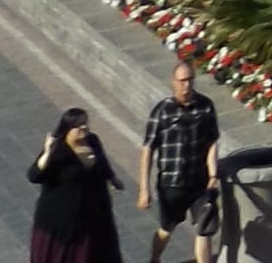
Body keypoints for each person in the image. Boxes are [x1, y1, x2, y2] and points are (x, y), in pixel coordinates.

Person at [137, 62, 221, 263]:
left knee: (204, 227)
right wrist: (144, 189)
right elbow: (148, 149)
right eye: (182, 81)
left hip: (199, 182)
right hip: (172, 184)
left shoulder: (205, 106)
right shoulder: (162, 111)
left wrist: (213, 174)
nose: (187, 85)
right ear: (173, 82)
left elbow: (212, 141)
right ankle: (155, 259)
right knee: (167, 228)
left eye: (190, 80)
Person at [29, 108, 123, 263]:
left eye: (85, 123)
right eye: (78, 125)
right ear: (67, 129)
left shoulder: (92, 140)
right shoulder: (58, 150)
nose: (83, 127)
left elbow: (102, 163)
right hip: (62, 217)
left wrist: (112, 178)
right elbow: (34, 175)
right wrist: (47, 154)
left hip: (93, 211)